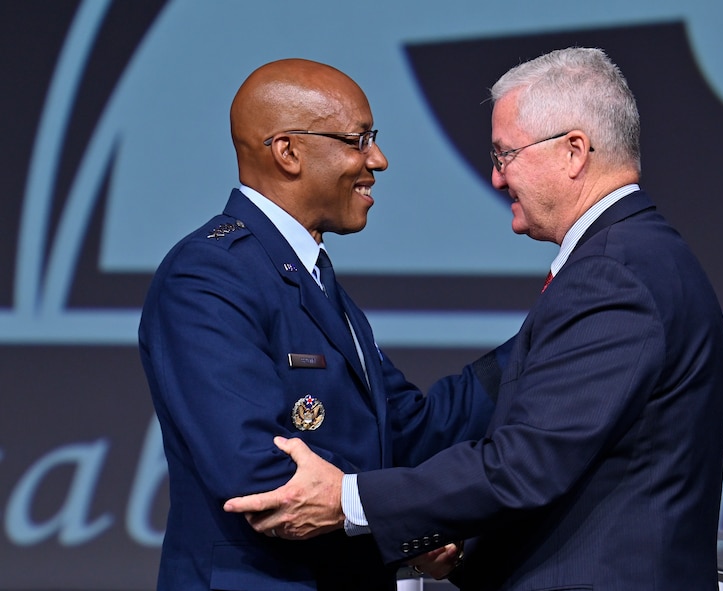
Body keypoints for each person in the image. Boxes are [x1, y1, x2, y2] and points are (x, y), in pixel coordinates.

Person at [224, 47, 723, 590]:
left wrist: (347, 499)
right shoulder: (638, 257)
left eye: (504, 155)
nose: (495, 178)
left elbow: (525, 464)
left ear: (574, 152)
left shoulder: (614, 272)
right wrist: (459, 552)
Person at [138, 58, 497, 590]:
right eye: (358, 139)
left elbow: (411, 431)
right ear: (288, 151)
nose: (378, 159)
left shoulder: (312, 279)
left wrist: (551, 336)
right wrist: (401, 522)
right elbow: (259, 474)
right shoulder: (209, 275)